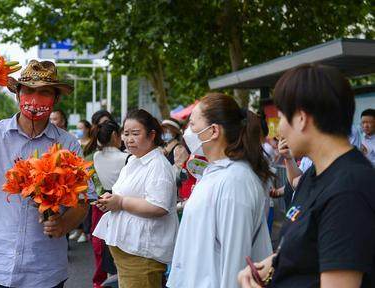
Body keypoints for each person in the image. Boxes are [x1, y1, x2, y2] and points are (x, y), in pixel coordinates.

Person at [0, 60, 93, 288]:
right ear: (18, 95)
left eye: (44, 92)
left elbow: (82, 202)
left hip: (44, 271)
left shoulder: (68, 144)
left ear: (55, 100)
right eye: (29, 91)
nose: (35, 99)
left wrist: (63, 224)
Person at [238, 64, 375, 288]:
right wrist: (273, 263)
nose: (279, 130)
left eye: (281, 117)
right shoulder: (315, 173)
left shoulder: (349, 190)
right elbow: (311, 248)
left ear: (301, 118)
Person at [167, 93, 273, 288]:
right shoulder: (214, 173)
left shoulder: (235, 181)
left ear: (213, 130)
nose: (186, 132)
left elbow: (236, 264)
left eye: (192, 124)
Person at [93, 109, 179, 288]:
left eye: (135, 133)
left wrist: (121, 202)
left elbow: (158, 206)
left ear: (152, 135)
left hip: (142, 255)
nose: (129, 139)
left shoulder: (158, 166)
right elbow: (125, 193)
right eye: (125, 133)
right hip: (128, 252)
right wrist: (111, 199)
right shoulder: (133, 160)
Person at [91, 120, 130, 288]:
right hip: (122, 202)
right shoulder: (126, 157)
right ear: (115, 135)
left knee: (105, 247)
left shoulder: (96, 156)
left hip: (103, 200)